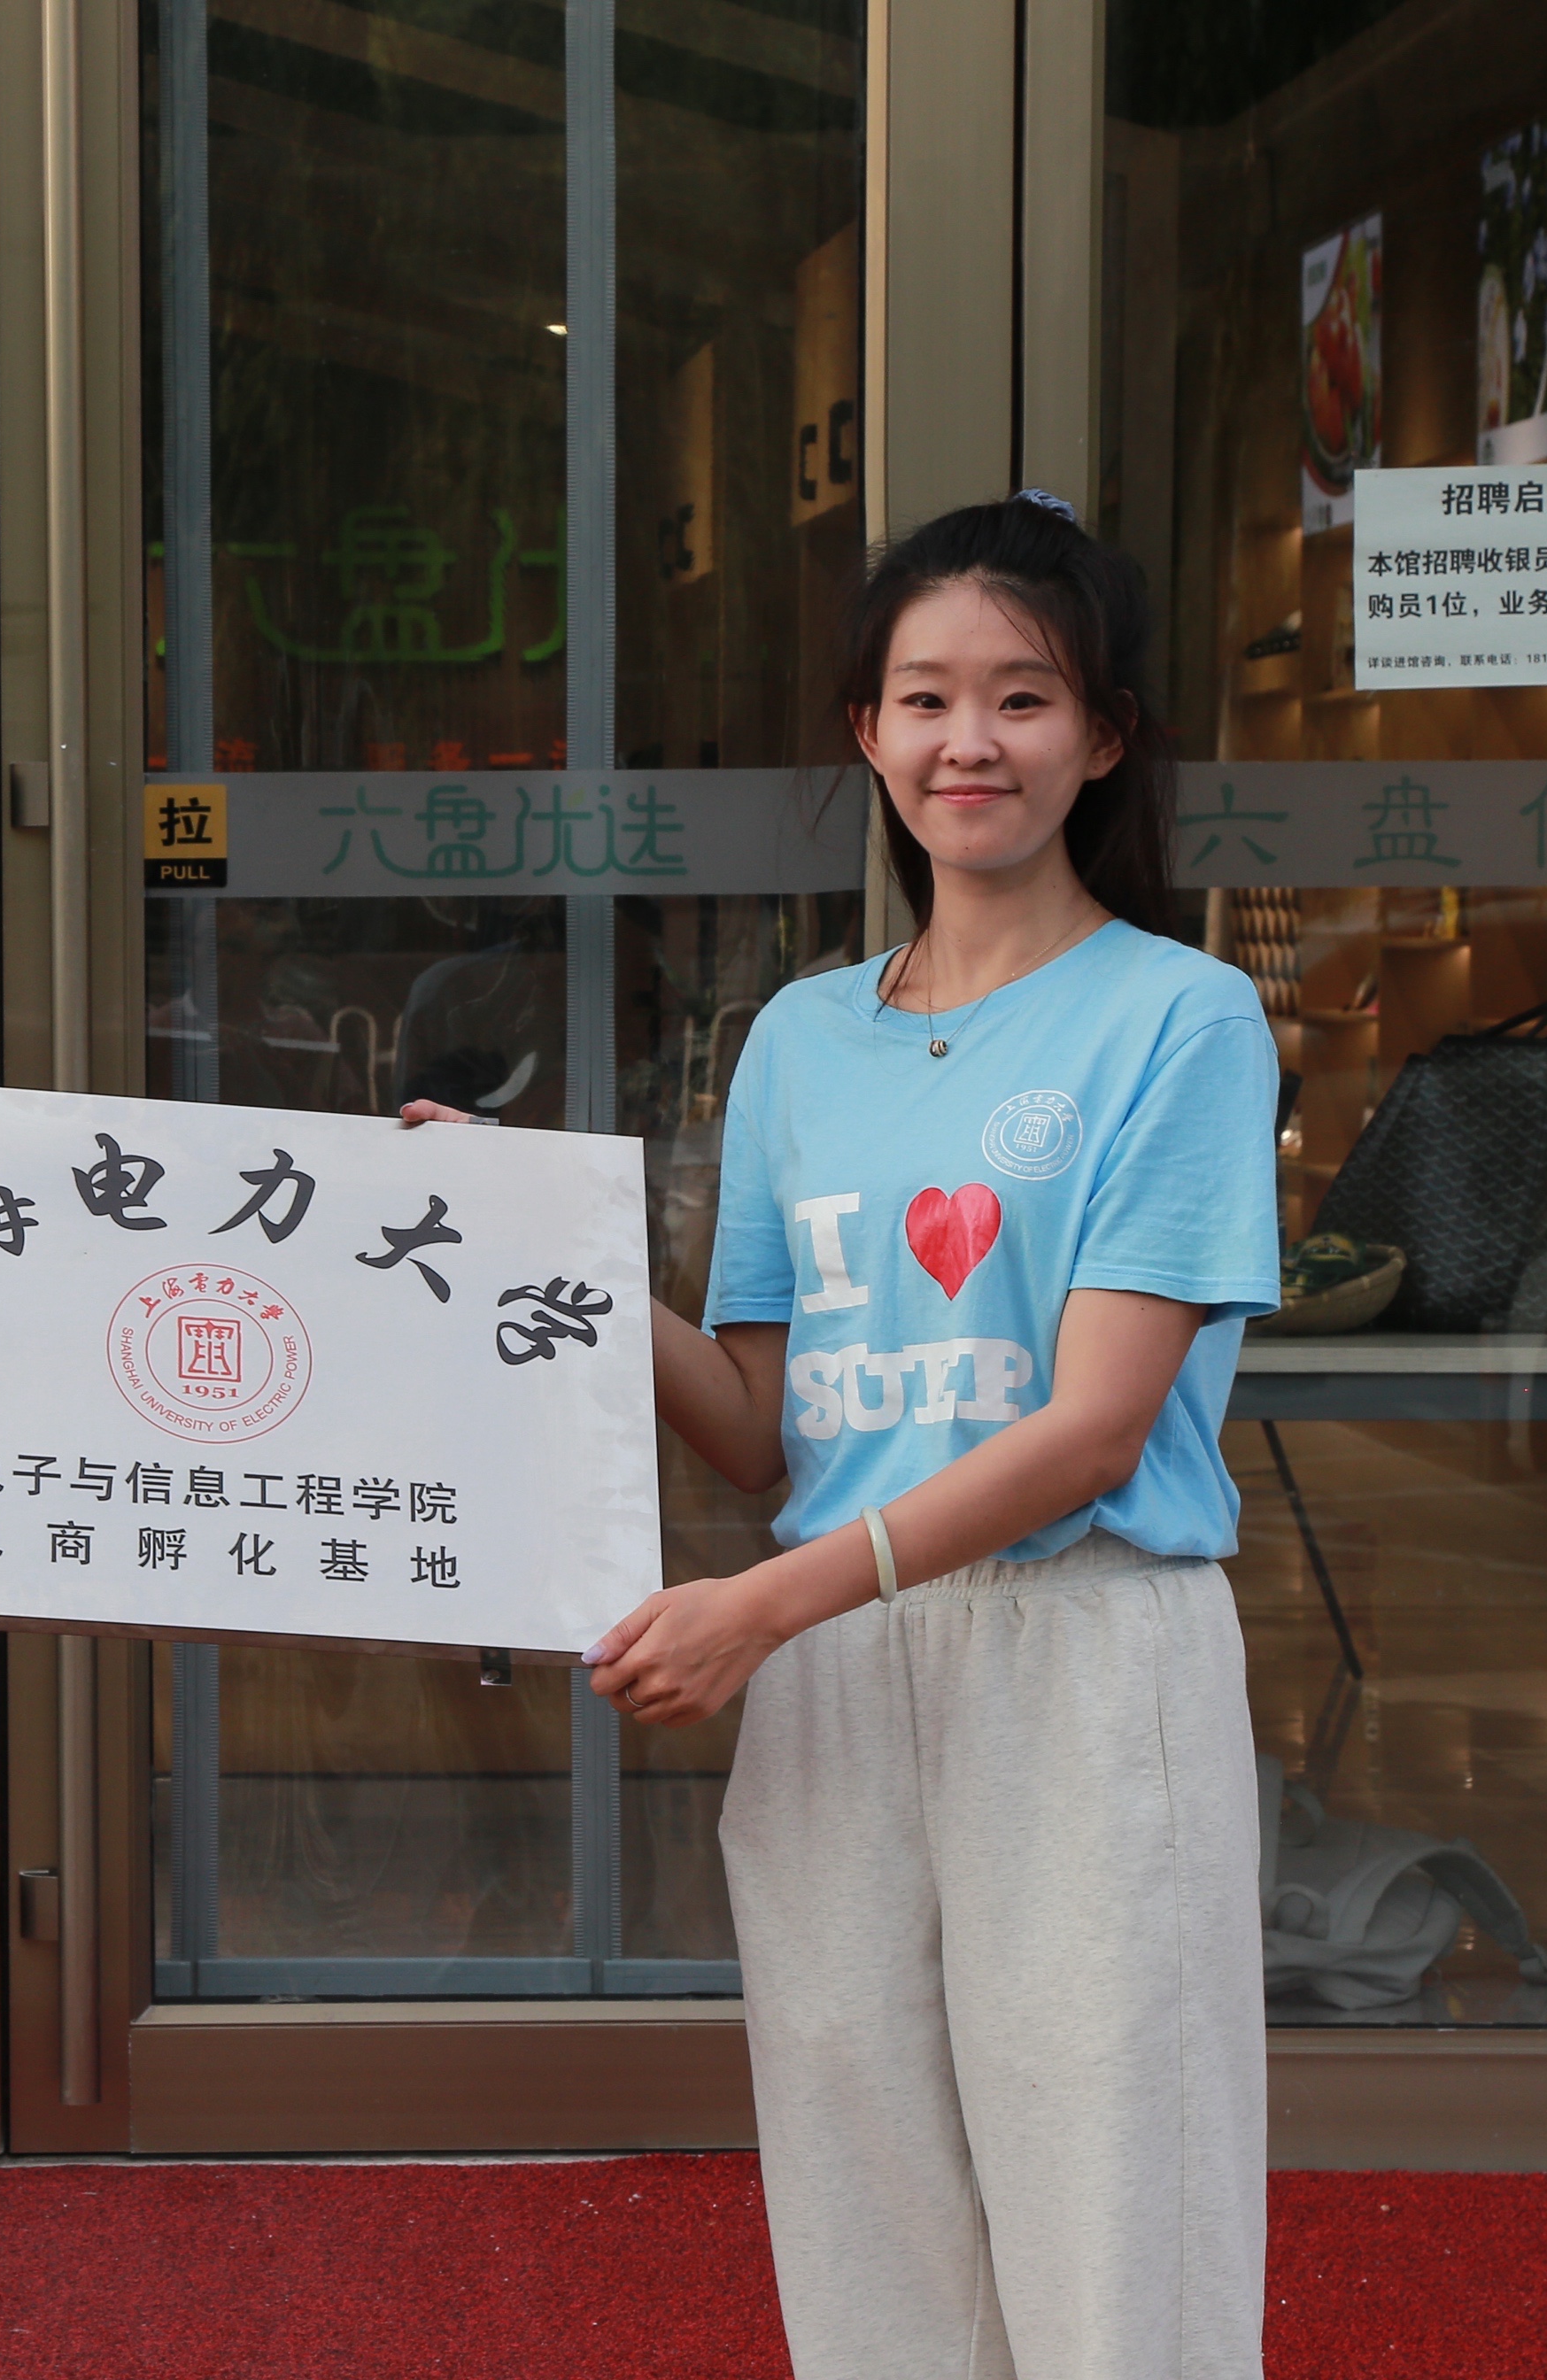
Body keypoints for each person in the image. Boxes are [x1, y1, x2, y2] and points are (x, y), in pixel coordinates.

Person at [414, 493, 1280, 2378]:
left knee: (1117, 2205)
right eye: (927, 699)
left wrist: (766, 1606)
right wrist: (535, 1229)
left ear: (1105, 737)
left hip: (1078, 1649)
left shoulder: (1182, 1019)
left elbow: (1095, 1427)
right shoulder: (800, 1040)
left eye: (1024, 697)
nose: (973, 741)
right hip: (833, 1659)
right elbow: (757, 1424)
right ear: (868, 735)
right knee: (862, 2196)